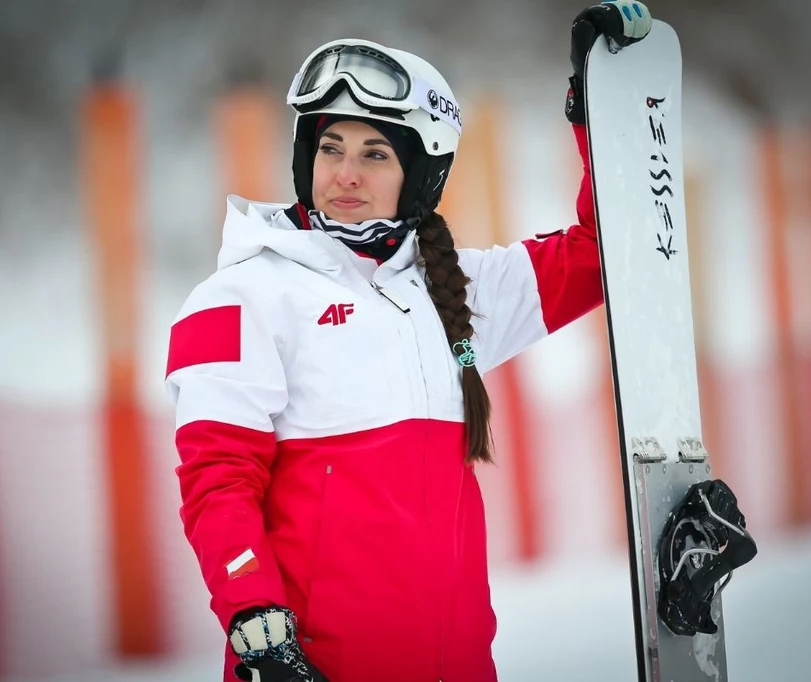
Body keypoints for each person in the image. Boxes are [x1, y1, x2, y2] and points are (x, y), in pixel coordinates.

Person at [165, 3, 652, 681]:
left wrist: (599, 104)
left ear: (422, 175)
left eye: (375, 154)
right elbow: (217, 483)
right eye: (330, 148)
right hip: (312, 669)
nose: (345, 174)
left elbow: (606, 254)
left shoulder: (456, 288)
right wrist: (255, 622)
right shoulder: (240, 297)